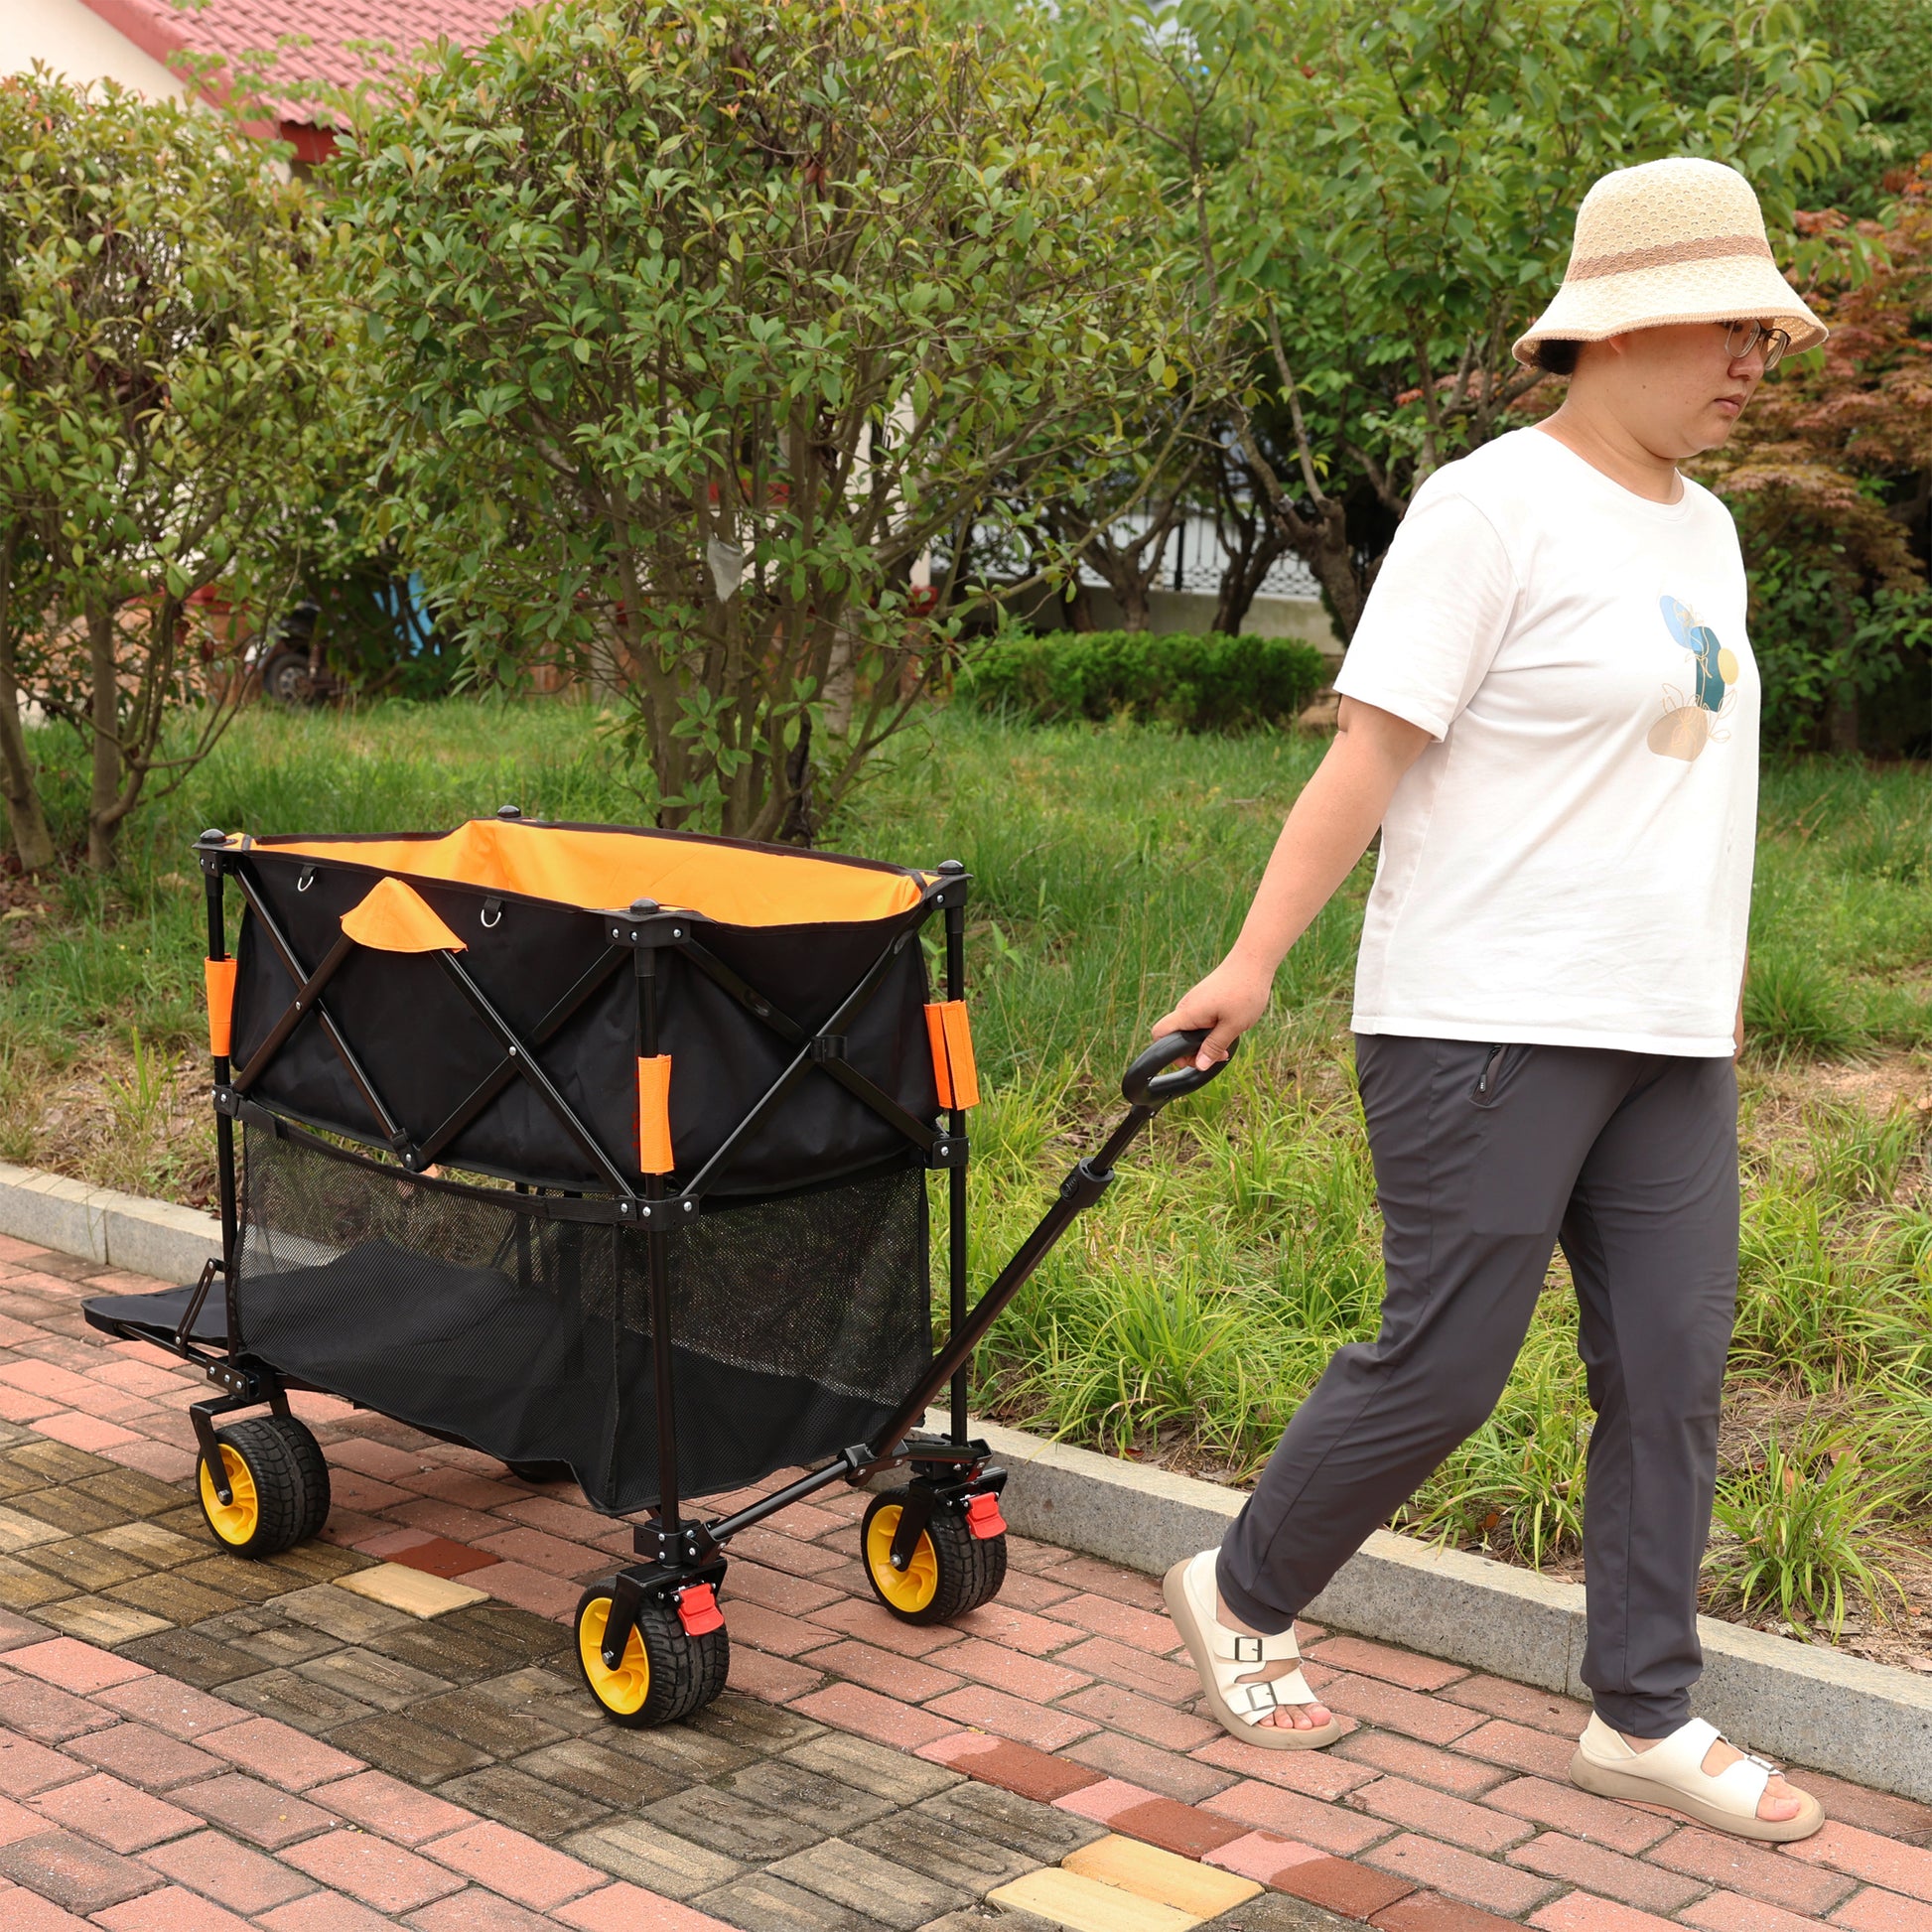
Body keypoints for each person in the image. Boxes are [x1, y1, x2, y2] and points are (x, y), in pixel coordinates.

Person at [1155, 157, 1826, 1845]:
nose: (1757, 356)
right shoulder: (1488, 506)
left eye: (1766, 328)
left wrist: (1714, 988)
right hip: (1484, 1011)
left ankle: (1642, 1709)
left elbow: (1690, 787)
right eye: (1727, 325)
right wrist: (1250, 960)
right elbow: (1370, 751)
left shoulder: (1712, 527)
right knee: (1445, 1361)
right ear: (1613, 328)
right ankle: (1240, 1587)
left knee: (1668, 1364)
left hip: (1667, 1031)